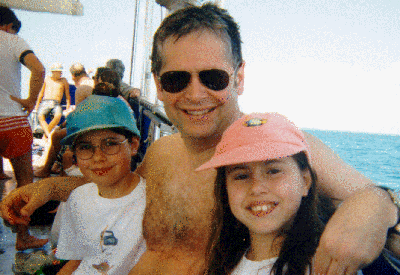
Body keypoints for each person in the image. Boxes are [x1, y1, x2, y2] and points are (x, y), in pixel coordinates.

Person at [1, 4, 399, 274]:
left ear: (239, 77)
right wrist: (51, 187)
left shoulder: (277, 149)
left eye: (213, 78)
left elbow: (383, 201)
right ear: (158, 85)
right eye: (177, 80)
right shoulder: (160, 153)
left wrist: (373, 209)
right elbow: (119, 190)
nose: (194, 95)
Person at [199, 112, 358, 275]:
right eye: (241, 176)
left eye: (273, 171)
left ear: (305, 181)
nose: (256, 188)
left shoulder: (328, 266)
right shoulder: (224, 263)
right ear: (225, 189)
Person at [54, 95, 146, 274]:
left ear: (133, 145)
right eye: (85, 147)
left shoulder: (151, 201)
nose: (98, 157)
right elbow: (78, 259)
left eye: (110, 144)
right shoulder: (77, 198)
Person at [0, 6, 49, 251]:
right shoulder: (13, 40)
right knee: (25, 182)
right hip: (12, 120)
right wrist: (30, 101)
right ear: (9, 26)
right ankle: (23, 236)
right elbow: (39, 70)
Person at [34, 63, 70, 140]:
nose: (61, 73)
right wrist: (37, 105)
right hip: (45, 102)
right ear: (53, 72)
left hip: (56, 103)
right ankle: (49, 136)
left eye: (61, 72)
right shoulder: (47, 79)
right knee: (40, 116)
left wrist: (67, 108)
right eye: (59, 71)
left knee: (58, 116)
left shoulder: (63, 80)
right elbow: (41, 93)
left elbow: (67, 96)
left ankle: (46, 136)